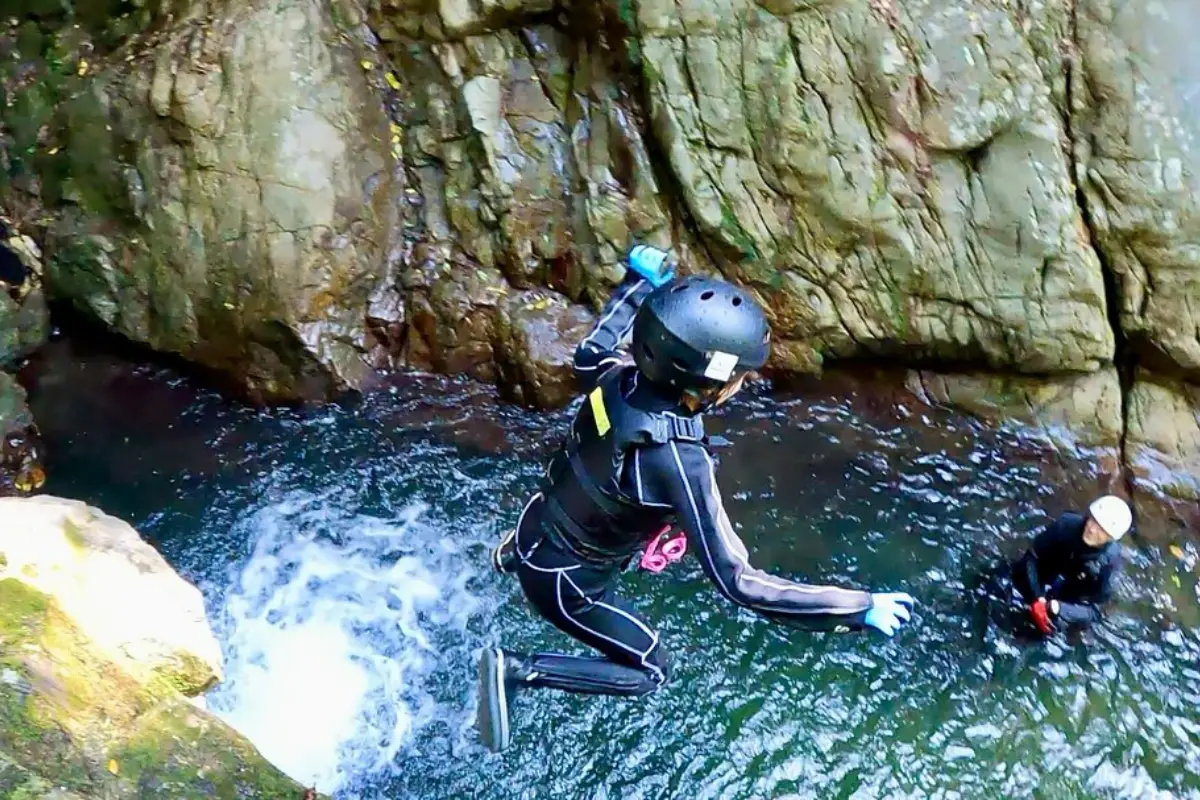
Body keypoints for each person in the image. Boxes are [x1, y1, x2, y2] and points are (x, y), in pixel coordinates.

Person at [474, 244, 916, 753]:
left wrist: (638, 282)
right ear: (707, 381)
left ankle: (507, 557)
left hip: (534, 527)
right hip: (564, 584)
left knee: (581, 506)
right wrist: (855, 608)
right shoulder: (678, 459)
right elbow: (741, 584)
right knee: (650, 671)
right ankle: (519, 672)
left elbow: (590, 351)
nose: (741, 385)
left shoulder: (619, 378)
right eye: (738, 377)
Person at [1011, 495, 1130, 635]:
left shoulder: (1109, 564)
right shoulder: (1066, 525)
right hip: (1047, 574)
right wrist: (1037, 597)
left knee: (1049, 626)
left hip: (1071, 597)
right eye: (1093, 521)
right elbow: (1032, 556)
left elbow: (1097, 611)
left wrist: (1060, 608)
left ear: (1110, 537)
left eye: (1101, 529)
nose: (1092, 529)